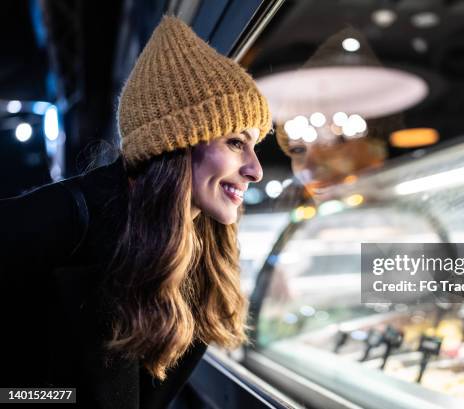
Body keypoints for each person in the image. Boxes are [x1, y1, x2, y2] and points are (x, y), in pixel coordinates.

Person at [0, 15, 271, 409]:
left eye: (255, 146)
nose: (256, 169)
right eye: (235, 142)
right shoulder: (59, 219)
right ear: (175, 142)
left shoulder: (199, 248)